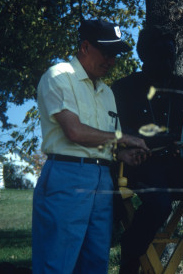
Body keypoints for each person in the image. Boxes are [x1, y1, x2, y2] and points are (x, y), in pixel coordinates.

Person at [33, 19, 149, 274]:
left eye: (115, 55)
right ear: (85, 46)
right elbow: (74, 131)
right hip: (67, 176)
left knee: (96, 263)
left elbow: (101, 140)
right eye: (107, 52)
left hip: (102, 179)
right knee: (56, 262)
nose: (111, 61)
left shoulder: (106, 92)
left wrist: (121, 154)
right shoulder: (59, 76)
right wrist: (122, 138)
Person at [111, 27, 183, 274]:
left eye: (171, 56)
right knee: (160, 203)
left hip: (176, 166)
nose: (168, 62)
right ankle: (130, 257)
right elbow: (114, 131)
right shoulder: (124, 88)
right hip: (140, 164)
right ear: (144, 56)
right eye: (160, 55)